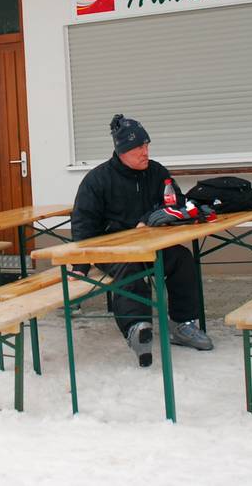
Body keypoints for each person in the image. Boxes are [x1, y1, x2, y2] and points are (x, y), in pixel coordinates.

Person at [71, 114, 213, 368]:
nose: (145, 152)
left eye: (146, 145)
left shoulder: (157, 172)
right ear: (121, 150)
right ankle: (137, 329)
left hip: (151, 244)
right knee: (131, 268)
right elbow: (83, 224)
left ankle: (183, 325)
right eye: (138, 147)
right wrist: (80, 264)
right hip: (111, 249)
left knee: (181, 259)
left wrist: (152, 217)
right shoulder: (97, 180)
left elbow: (177, 202)